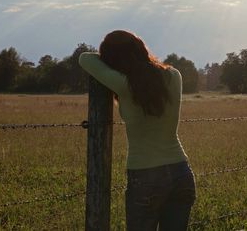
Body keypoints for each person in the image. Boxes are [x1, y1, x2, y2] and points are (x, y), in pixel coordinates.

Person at [79, 30, 196, 231]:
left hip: (145, 176)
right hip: (181, 172)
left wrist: (109, 59)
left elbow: (85, 59)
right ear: (141, 49)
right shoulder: (174, 76)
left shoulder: (124, 84)